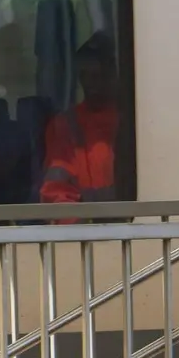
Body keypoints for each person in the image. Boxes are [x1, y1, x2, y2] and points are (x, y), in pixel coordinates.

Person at [40, 30, 122, 219]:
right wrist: (75, 238)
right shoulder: (65, 125)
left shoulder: (130, 120)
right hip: (84, 239)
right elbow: (57, 192)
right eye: (85, 75)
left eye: (98, 75)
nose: (91, 83)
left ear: (113, 74)